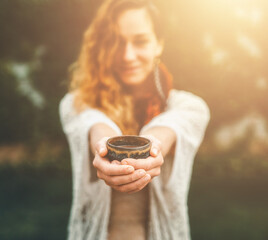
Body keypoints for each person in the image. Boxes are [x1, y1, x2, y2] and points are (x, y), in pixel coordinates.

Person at [59, 0, 210, 239]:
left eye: (140, 41)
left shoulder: (190, 107)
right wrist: (105, 146)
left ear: (159, 44)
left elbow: (169, 127)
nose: (128, 55)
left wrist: (151, 147)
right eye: (117, 42)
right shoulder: (75, 102)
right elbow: (94, 123)